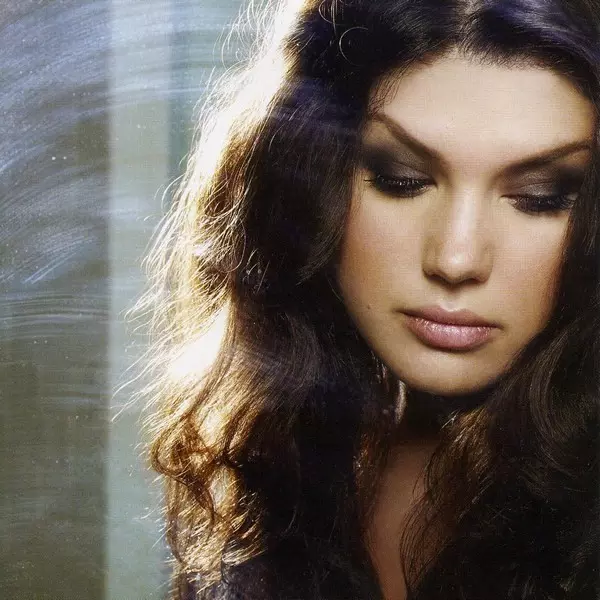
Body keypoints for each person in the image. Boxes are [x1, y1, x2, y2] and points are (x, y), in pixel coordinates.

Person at [136, 0, 599, 598]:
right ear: (309, 185)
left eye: (541, 197)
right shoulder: (291, 470)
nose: (455, 259)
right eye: (401, 180)